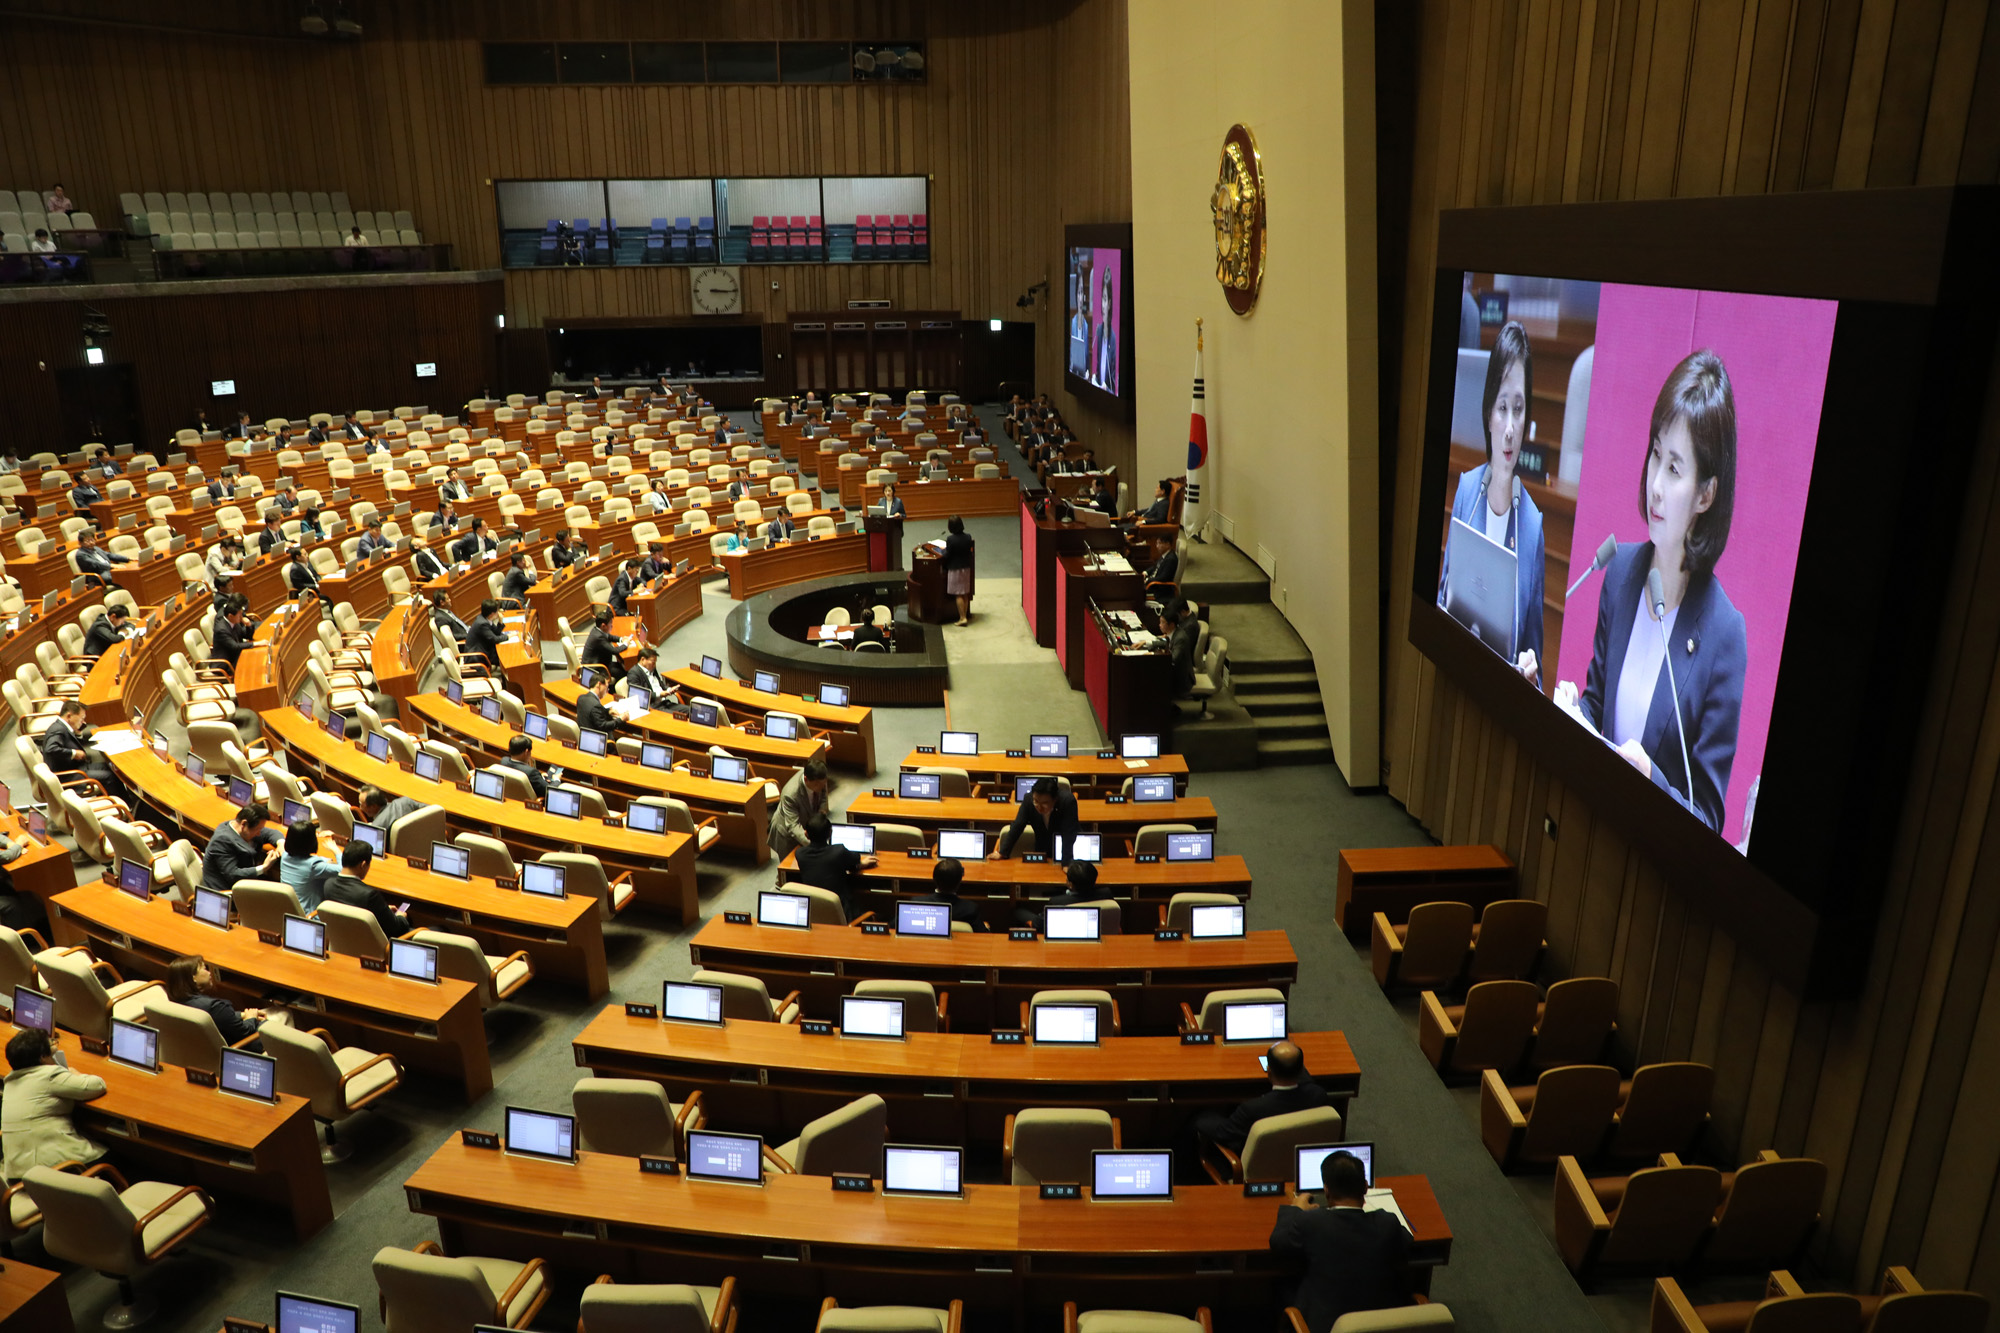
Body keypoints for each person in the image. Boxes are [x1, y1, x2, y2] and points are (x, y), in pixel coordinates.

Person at [1555, 349, 1746, 834]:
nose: (1655, 485)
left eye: (1676, 470)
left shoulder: (1725, 635)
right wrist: (1572, 713)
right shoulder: (1619, 573)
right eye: (1656, 456)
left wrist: (1651, 781)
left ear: (1706, 494)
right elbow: (1598, 713)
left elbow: (1706, 819)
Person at [1437, 319, 1544, 683]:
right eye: (1502, 408)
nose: (1511, 426)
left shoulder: (1533, 526)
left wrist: (1531, 673)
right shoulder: (1468, 491)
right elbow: (1442, 600)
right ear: (1488, 414)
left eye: (1519, 408)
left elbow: (1536, 660)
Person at [1269, 1150, 1412, 1332]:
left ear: (1326, 1190)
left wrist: (1295, 1209)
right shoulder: (1388, 1223)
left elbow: (1278, 1243)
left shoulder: (1312, 1222)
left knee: (1280, 1285)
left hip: (1326, 1325)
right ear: (1366, 1188)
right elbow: (1406, 1242)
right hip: (1380, 1324)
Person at [1192, 1039, 1329, 1157]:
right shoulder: (1318, 1095)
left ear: (1269, 1072)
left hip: (1261, 1166)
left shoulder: (1252, 1109)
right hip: (1301, 1161)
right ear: (1301, 1070)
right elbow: (1307, 1081)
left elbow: (1223, 1132)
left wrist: (1200, 1115)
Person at [3, 1029, 107, 1179]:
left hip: (17, 1171)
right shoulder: (49, 1075)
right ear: (43, 1058)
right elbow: (97, 1085)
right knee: (125, 1161)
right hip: (51, 1169)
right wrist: (74, 1073)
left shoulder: (10, 1081)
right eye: (52, 1046)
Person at [165, 955, 277, 1049]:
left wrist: (243, 1015)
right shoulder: (215, 1007)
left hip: (205, 1051)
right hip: (242, 1048)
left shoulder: (175, 1003)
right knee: (281, 1014)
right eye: (204, 969)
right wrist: (250, 1018)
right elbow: (244, 1032)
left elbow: (222, 1018)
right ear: (193, 978)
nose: (209, 973)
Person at [793, 813, 876, 919]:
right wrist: (861, 864)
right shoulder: (839, 851)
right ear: (830, 833)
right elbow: (855, 859)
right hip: (842, 912)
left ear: (806, 834)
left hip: (814, 912)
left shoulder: (800, 854)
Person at [320, 839, 408, 937]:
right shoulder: (369, 895)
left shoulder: (328, 885)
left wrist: (384, 910)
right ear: (363, 865)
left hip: (339, 941)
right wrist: (401, 916)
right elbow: (396, 929)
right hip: (370, 946)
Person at [42, 699, 127, 800]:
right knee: (109, 777)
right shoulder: (58, 730)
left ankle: (123, 799)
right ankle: (121, 804)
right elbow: (50, 749)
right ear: (69, 716)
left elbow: (68, 743)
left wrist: (78, 733)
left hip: (75, 767)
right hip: (69, 775)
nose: (83, 722)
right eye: (81, 718)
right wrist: (74, 753)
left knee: (110, 767)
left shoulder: (63, 727)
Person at [993, 775, 1080, 860]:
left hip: (1068, 849)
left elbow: (1069, 833)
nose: (1039, 807)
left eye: (1044, 803)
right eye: (1036, 801)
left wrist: (1067, 862)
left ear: (1055, 799)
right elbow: (1018, 825)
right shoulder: (1028, 799)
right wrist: (1002, 853)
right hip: (1042, 849)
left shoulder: (1067, 802)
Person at [202, 802, 281, 892]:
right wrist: (264, 867)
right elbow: (233, 875)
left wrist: (280, 843)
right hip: (226, 892)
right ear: (244, 824)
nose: (259, 833)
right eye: (258, 829)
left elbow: (271, 833)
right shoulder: (222, 840)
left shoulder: (240, 827)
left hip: (245, 882)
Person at [768, 757, 831, 861]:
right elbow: (793, 826)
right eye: (818, 785)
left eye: (823, 783)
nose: (821, 787)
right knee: (789, 869)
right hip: (786, 834)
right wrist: (815, 845)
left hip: (806, 825)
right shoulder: (790, 795)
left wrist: (820, 815)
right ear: (806, 779)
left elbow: (823, 795)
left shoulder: (819, 778)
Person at [278, 819, 339, 911]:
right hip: (309, 915)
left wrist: (324, 860)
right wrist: (336, 850)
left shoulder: (284, 856)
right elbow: (344, 870)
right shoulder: (313, 866)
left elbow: (306, 861)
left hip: (289, 909)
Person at [918, 856, 988, 932]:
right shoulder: (970, 909)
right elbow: (983, 936)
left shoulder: (917, 904)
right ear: (959, 881)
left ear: (934, 878)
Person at [1163, 599, 1200, 698]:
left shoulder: (1189, 627)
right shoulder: (1185, 621)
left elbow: (1179, 649)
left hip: (1183, 670)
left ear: (1183, 612)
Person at [942, 514, 974, 626]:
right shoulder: (968, 537)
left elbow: (947, 554)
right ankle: (964, 615)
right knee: (964, 592)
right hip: (966, 568)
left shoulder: (950, 539)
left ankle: (962, 618)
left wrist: (942, 553)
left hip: (955, 569)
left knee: (958, 594)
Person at [354, 785, 425, 835]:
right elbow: (431, 810)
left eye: (361, 804)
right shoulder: (405, 801)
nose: (360, 808)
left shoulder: (377, 828)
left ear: (373, 806)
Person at [501, 734, 548, 801]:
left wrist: (540, 777)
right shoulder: (531, 772)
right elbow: (548, 791)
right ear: (526, 752)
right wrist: (556, 780)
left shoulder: (504, 761)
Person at [575, 670, 621, 736]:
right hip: (595, 739)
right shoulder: (596, 705)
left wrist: (608, 711)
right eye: (607, 687)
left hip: (584, 735)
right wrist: (621, 719)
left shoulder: (581, 698)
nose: (607, 691)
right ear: (599, 685)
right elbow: (603, 726)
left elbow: (594, 713)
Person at [210, 598, 253, 668]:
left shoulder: (234, 622)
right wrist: (255, 644)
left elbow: (247, 636)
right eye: (239, 615)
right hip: (225, 664)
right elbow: (235, 646)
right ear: (230, 616)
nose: (241, 617)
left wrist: (248, 625)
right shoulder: (221, 629)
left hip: (235, 656)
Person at [463, 598, 506, 668]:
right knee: (504, 655)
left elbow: (496, 633)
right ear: (492, 614)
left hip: (484, 649)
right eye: (497, 611)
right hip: (477, 657)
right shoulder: (482, 624)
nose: (499, 613)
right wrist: (509, 636)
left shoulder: (484, 618)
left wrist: (500, 622)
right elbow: (495, 639)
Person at [581, 608, 624, 674]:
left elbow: (609, 636)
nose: (612, 626)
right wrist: (626, 644)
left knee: (622, 666)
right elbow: (614, 651)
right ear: (603, 626)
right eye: (610, 624)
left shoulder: (596, 630)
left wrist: (621, 639)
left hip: (601, 662)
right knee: (623, 672)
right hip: (595, 669)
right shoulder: (598, 637)